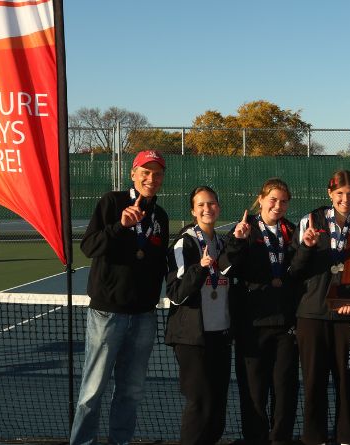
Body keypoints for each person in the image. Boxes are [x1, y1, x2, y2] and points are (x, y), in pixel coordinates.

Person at [71, 150, 169, 445]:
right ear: (133, 174)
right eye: (145, 172)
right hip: (108, 314)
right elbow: (88, 247)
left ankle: (120, 442)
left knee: (131, 391)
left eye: (157, 174)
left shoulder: (160, 216)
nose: (151, 178)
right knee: (92, 391)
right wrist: (120, 226)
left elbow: (158, 262)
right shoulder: (112, 202)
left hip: (143, 316)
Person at [165, 186, 251, 445]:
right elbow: (176, 293)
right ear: (193, 211)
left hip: (220, 335)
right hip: (192, 339)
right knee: (199, 402)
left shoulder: (222, 242)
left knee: (217, 403)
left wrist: (238, 240)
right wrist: (200, 269)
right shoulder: (184, 242)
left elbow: (225, 268)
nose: (207, 209)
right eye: (201, 205)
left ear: (219, 207)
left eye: (212, 203)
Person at [291, 170, 350, 445]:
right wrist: (307, 247)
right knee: (314, 381)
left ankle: (348, 437)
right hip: (312, 315)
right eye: (339, 194)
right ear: (329, 194)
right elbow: (295, 270)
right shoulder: (310, 221)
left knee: (348, 381)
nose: (345, 199)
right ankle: (315, 438)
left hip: (349, 315)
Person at [227, 178, 300, 445]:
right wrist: (237, 242)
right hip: (252, 325)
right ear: (261, 199)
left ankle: (280, 439)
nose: (277, 205)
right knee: (254, 392)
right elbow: (229, 266)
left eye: (283, 201)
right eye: (273, 199)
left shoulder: (292, 232)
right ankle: (256, 439)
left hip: (285, 327)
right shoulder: (243, 229)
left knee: (284, 390)